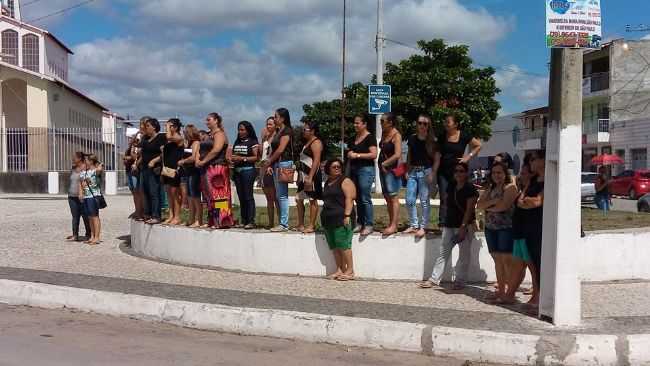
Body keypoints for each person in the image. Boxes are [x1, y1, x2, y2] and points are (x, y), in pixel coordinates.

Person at [420, 162, 478, 290]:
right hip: (449, 223)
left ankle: (460, 280)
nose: (458, 173)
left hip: (463, 225)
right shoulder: (451, 185)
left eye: (461, 171)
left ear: (467, 173)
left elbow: (469, 210)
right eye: (456, 171)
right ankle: (434, 279)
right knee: (443, 253)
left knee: (464, 255)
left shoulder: (470, 189)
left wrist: (463, 227)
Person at [503, 150, 545, 308]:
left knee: (534, 265)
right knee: (520, 263)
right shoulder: (533, 180)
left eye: (534, 159)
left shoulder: (548, 180)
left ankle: (537, 296)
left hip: (536, 226)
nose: (531, 163)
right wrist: (526, 201)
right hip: (523, 227)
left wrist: (528, 201)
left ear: (542, 160)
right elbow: (522, 200)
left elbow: (536, 202)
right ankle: (510, 294)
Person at [477, 161, 518, 301]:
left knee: (506, 260)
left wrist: (488, 206)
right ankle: (501, 290)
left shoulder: (510, 187)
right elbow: (479, 205)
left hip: (505, 228)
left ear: (505, 173)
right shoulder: (490, 188)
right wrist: (492, 203)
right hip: (490, 228)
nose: (496, 175)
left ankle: (509, 292)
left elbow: (504, 206)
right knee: (497, 260)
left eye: (499, 172)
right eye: (494, 172)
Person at [436, 113, 481, 227]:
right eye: (445, 122)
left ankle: (471, 220)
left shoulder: (464, 135)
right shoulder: (442, 136)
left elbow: (478, 145)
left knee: (464, 196)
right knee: (444, 197)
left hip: (458, 172)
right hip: (443, 172)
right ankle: (443, 223)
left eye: (448, 122)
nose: (445, 124)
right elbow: (437, 154)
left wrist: (468, 157)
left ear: (456, 124)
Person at [404, 114, 440, 238]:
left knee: (424, 201)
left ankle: (423, 226)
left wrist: (433, 173)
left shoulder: (433, 140)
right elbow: (409, 156)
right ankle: (414, 224)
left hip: (426, 171)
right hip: (413, 171)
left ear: (429, 125)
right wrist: (407, 170)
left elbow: (437, 159)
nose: (422, 126)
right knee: (409, 199)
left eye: (425, 123)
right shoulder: (412, 138)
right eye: (420, 123)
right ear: (417, 124)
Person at [321, 158, 356, 281]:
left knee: (344, 245)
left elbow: (350, 198)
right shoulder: (327, 182)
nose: (337, 168)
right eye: (334, 167)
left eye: (339, 167)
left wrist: (347, 215)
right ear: (328, 169)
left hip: (342, 218)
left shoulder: (345, 181)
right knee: (335, 246)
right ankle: (340, 269)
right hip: (328, 219)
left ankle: (350, 271)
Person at [197, 112, 233, 229]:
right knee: (209, 195)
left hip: (217, 167)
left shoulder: (219, 134)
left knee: (219, 195)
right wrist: (198, 159)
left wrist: (203, 161)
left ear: (216, 120)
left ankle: (222, 220)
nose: (206, 122)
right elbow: (199, 148)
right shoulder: (208, 135)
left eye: (209, 120)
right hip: (207, 168)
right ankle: (213, 220)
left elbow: (216, 150)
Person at [263, 108, 294, 232]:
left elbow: (281, 149)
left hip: (284, 163)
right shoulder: (279, 131)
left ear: (282, 118)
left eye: (276, 117)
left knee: (282, 195)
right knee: (279, 194)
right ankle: (282, 222)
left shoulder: (287, 131)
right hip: (277, 163)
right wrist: (271, 164)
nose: (274, 119)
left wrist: (269, 161)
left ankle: (284, 223)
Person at [346, 115, 377, 236]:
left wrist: (357, 155)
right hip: (353, 170)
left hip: (365, 170)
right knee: (357, 197)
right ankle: (360, 222)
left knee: (365, 198)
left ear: (364, 124)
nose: (355, 125)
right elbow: (349, 150)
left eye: (357, 123)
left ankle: (369, 224)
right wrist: (350, 153)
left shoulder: (370, 138)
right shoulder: (352, 138)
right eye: (354, 123)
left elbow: (373, 154)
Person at [229, 121, 259, 229]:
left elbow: (256, 157)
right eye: (239, 129)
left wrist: (243, 158)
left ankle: (251, 220)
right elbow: (235, 155)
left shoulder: (253, 141)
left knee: (248, 196)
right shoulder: (237, 141)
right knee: (241, 196)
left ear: (248, 130)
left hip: (248, 171)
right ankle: (244, 219)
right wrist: (232, 160)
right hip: (237, 171)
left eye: (242, 130)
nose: (240, 132)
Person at [295, 120, 323, 234]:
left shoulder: (316, 143)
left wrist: (310, 177)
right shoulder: (307, 143)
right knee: (298, 198)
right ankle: (301, 224)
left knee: (312, 199)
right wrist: (299, 177)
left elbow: (316, 161)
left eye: (305, 130)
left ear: (312, 131)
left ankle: (311, 225)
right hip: (303, 175)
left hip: (312, 175)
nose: (303, 131)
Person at [378, 112, 402, 236]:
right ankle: (391, 223)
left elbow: (397, 154)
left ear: (390, 122)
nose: (380, 123)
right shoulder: (384, 133)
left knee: (393, 197)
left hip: (390, 170)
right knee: (387, 197)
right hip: (383, 169)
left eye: (383, 121)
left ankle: (394, 224)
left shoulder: (396, 135)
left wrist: (384, 163)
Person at [140, 118, 167, 225]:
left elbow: (164, 152)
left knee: (154, 192)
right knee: (145, 192)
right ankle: (148, 213)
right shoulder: (145, 138)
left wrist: (155, 160)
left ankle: (156, 215)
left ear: (154, 127)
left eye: (148, 126)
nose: (146, 128)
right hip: (145, 168)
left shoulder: (160, 137)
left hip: (154, 169)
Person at [178, 124, 203, 227]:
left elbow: (193, 157)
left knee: (196, 196)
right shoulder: (188, 144)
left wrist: (183, 161)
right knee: (190, 197)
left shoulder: (196, 143)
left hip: (194, 172)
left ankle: (198, 219)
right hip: (188, 172)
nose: (185, 135)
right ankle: (191, 218)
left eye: (186, 133)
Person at [161, 119, 185, 225]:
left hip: (175, 169)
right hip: (167, 168)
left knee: (175, 193)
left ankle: (177, 216)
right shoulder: (169, 140)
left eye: (170, 126)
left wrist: (167, 126)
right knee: (169, 193)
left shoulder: (178, 138)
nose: (167, 128)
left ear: (175, 127)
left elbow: (169, 137)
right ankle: (171, 215)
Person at [79, 154, 104, 245]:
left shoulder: (95, 171)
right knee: (89, 217)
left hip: (93, 196)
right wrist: (81, 193)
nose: (85, 162)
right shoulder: (84, 172)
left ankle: (97, 237)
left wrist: (99, 165)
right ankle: (92, 236)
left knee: (95, 216)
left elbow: (99, 170)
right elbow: (81, 183)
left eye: (86, 160)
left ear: (91, 161)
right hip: (86, 196)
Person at [66, 151, 91, 242]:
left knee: (85, 216)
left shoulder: (86, 167)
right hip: (71, 196)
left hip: (82, 196)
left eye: (74, 157)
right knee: (75, 216)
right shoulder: (73, 168)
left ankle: (89, 234)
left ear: (79, 159)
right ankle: (75, 235)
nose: (73, 159)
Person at [259, 117, 278, 228]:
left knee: (275, 198)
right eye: (267, 124)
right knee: (269, 199)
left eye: (270, 124)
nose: (268, 126)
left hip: (271, 168)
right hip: (263, 168)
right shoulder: (265, 138)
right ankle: (270, 223)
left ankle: (280, 222)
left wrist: (270, 165)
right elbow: (262, 154)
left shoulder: (276, 138)